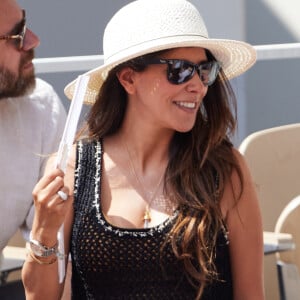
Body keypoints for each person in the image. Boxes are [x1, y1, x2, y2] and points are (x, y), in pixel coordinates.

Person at [22, 0, 264, 299]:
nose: (199, 86)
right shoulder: (73, 168)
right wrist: (43, 232)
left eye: (205, 70)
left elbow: (251, 294)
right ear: (128, 78)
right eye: (179, 70)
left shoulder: (222, 168)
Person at [0, 0, 66, 256]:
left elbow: (54, 240)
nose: (33, 41)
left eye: (25, 25)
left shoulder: (40, 108)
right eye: (17, 35)